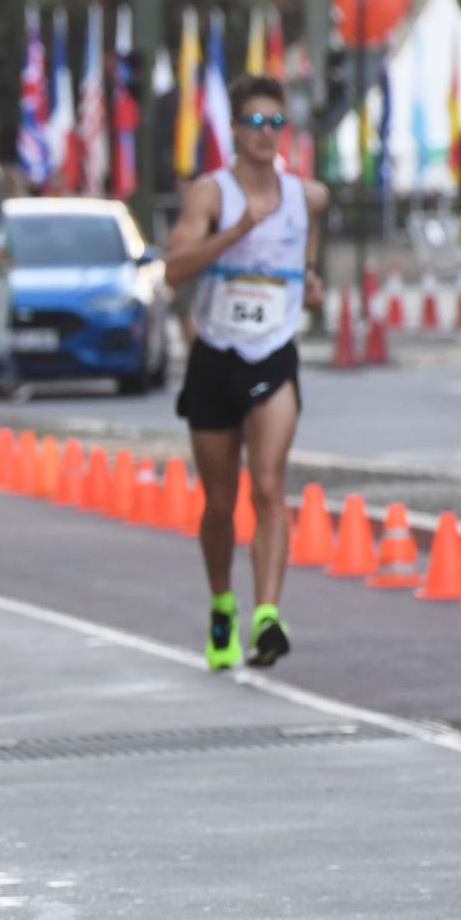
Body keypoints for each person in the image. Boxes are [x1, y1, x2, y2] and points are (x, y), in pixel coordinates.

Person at [164, 74, 328, 672]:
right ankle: (222, 604)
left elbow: (311, 227)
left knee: (267, 485)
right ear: (234, 129)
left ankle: (268, 615)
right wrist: (238, 231)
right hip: (216, 356)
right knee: (220, 502)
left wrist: (309, 279)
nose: (266, 134)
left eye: (275, 123)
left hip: (274, 352)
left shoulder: (305, 195)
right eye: (255, 122)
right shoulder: (212, 195)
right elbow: (173, 271)